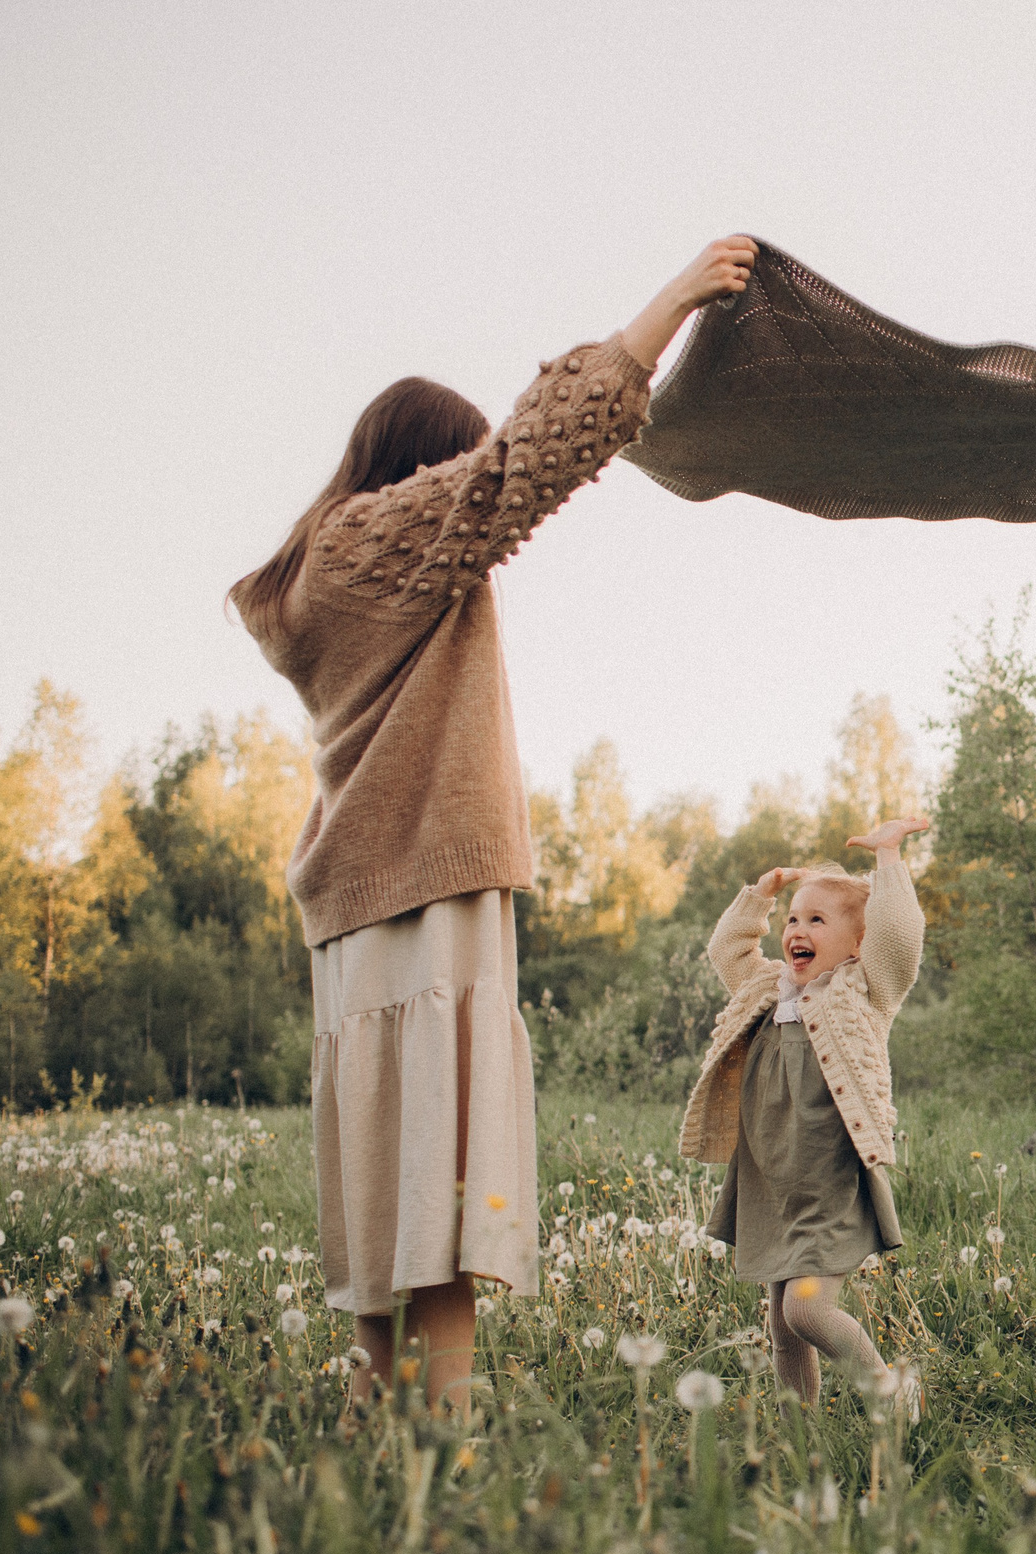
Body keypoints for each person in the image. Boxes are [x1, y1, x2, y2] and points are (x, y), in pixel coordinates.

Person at [231, 235, 761, 1411]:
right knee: (446, 1156)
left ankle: (376, 1393)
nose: (476, 523)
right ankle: (452, 1414)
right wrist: (671, 298)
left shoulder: (327, 575)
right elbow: (536, 454)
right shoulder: (382, 546)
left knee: (387, 1148)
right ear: (425, 472)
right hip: (423, 878)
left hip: (357, 900)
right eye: (457, 477)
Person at [680, 819, 929, 1410]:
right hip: (772, 1183)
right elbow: (727, 950)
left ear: (856, 943)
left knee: (807, 1308)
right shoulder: (767, 989)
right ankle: (800, 1432)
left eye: (818, 920)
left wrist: (888, 858)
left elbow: (899, 937)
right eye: (794, 918)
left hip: (829, 1186)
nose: (798, 929)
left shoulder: (864, 991)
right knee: (783, 1326)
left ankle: (893, 1395)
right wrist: (759, 896)